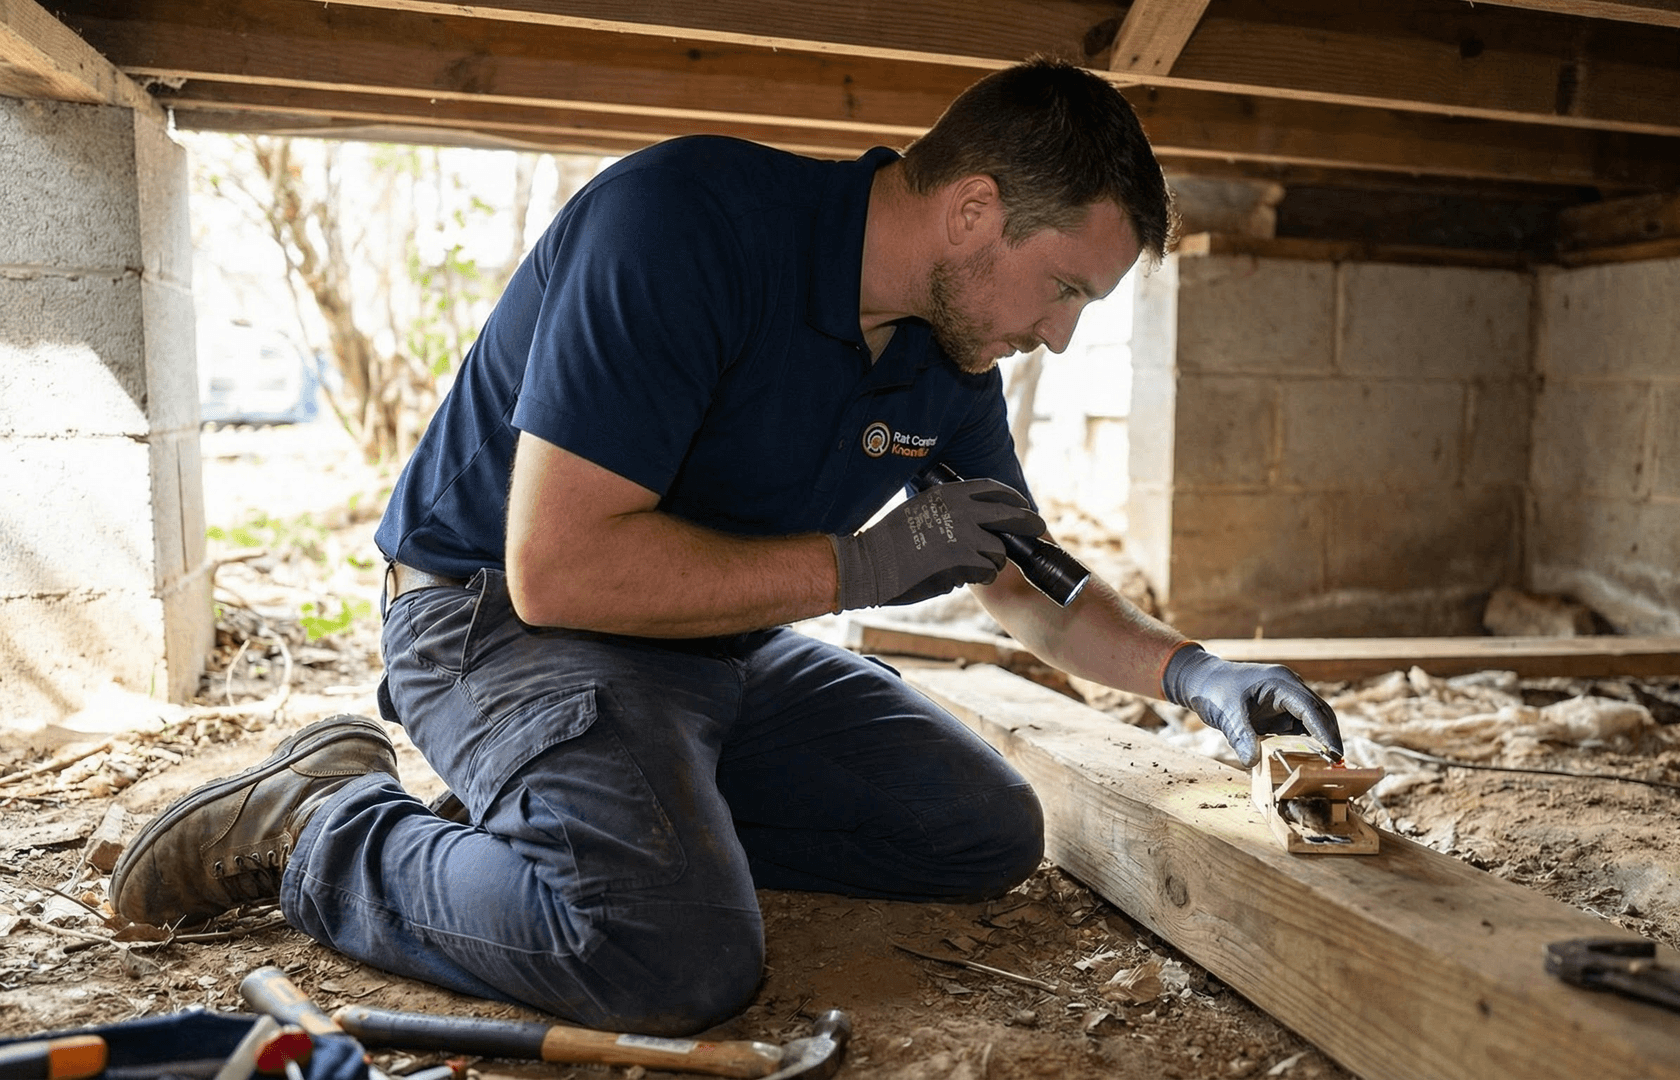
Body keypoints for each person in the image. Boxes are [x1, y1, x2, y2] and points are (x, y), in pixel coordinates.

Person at [111, 59, 1342, 1035]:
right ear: (975, 211)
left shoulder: (945, 348)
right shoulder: (682, 225)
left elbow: (1019, 574)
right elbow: (562, 572)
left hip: (711, 647)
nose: (1063, 338)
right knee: (672, 954)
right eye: (1066, 289)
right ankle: (326, 823)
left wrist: (1197, 676)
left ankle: (578, 826)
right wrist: (862, 568)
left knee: (977, 833)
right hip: (498, 623)